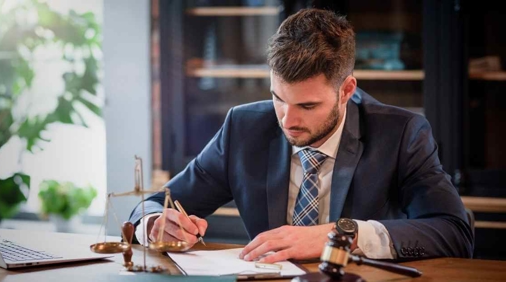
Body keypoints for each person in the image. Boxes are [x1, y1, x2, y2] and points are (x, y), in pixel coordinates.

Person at [129, 8, 473, 263]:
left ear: (346, 90)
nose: (287, 120)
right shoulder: (244, 127)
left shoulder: (401, 134)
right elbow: (156, 203)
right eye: (278, 99)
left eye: (308, 105)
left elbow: (454, 232)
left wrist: (341, 235)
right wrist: (154, 224)